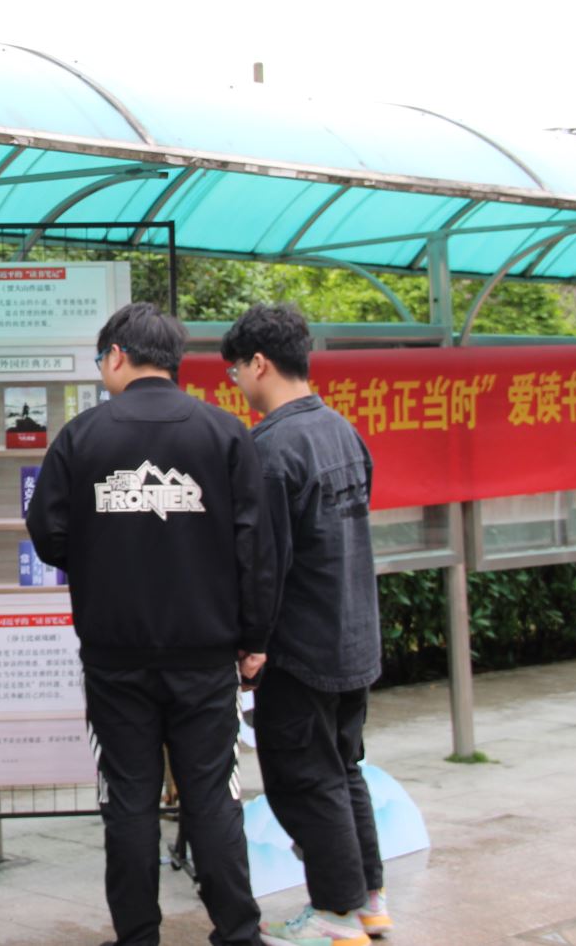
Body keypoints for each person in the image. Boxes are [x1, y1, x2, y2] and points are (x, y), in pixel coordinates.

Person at [26, 302, 278, 946]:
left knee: (129, 799)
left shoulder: (82, 437)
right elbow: (256, 546)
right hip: (206, 655)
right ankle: (239, 931)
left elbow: (48, 533)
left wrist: (102, 551)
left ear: (116, 355)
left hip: (114, 656)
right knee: (212, 795)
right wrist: (254, 640)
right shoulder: (224, 434)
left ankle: (137, 935)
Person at [222, 305, 387, 946]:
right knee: (343, 768)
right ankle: (369, 902)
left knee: (303, 779)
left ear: (260, 363)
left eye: (236, 369)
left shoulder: (271, 449)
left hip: (301, 646)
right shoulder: (342, 430)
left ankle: (336, 915)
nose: (236, 381)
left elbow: (265, 563)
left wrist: (252, 645)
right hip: (354, 636)